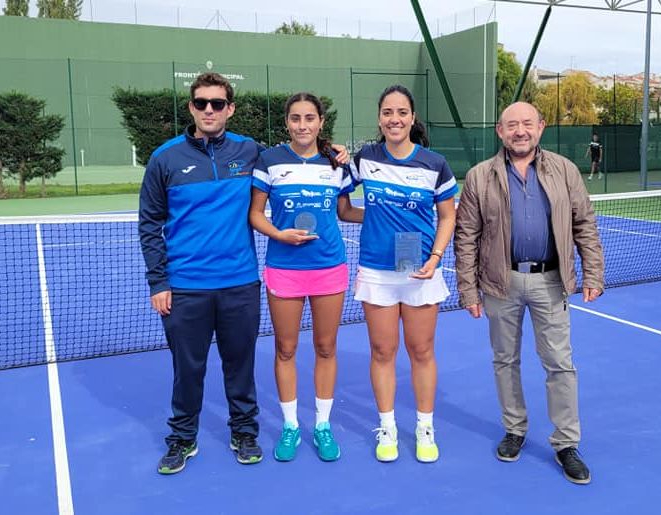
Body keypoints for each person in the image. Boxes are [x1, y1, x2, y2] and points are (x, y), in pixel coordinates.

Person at [139, 73, 350, 474]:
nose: (208, 110)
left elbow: (301, 153)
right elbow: (149, 223)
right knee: (189, 368)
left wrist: (333, 151)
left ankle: (244, 432)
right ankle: (182, 438)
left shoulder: (250, 152)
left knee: (240, 364)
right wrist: (158, 281)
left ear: (229, 109)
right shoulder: (165, 158)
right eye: (201, 103)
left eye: (217, 104)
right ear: (191, 107)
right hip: (185, 286)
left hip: (240, 281)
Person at [454, 102, 604, 485]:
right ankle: (515, 429)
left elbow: (584, 222)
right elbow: (466, 237)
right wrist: (468, 290)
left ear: (541, 127)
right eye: (511, 125)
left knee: (559, 363)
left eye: (527, 124)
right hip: (499, 283)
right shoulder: (478, 177)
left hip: (551, 282)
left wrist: (593, 273)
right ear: (499, 131)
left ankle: (566, 443)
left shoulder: (565, 171)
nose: (520, 131)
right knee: (505, 360)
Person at [249, 92, 362, 463]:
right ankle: (291, 426)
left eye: (309, 118)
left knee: (326, 348)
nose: (303, 125)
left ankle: (323, 425)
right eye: (296, 118)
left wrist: (389, 215)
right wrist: (278, 234)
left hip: (330, 268)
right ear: (287, 123)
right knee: (286, 349)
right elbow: (256, 214)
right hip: (284, 269)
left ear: (320, 123)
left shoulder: (337, 163)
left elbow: (345, 210)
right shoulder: (270, 161)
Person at [351, 85, 457, 463]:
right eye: (387, 113)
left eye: (401, 112)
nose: (394, 119)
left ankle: (425, 428)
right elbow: (340, 200)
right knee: (382, 351)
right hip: (377, 272)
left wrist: (436, 255)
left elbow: (448, 215)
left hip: (419, 272)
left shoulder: (434, 163)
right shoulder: (364, 159)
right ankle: (389, 427)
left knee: (422, 350)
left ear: (412, 118)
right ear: (379, 118)